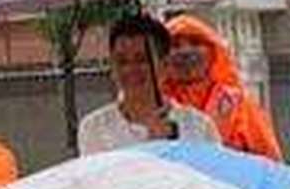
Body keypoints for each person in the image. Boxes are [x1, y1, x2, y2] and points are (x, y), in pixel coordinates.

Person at [76, 13, 220, 154]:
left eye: (142, 60)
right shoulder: (94, 129)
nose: (131, 70)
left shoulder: (199, 127)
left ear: (164, 65)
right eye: (122, 61)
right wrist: (153, 148)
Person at [160, 14, 286, 162]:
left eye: (195, 43)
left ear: (213, 52)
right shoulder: (155, 103)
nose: (186, 52)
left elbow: (271, 162)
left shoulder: (239, 105)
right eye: (175, 45)